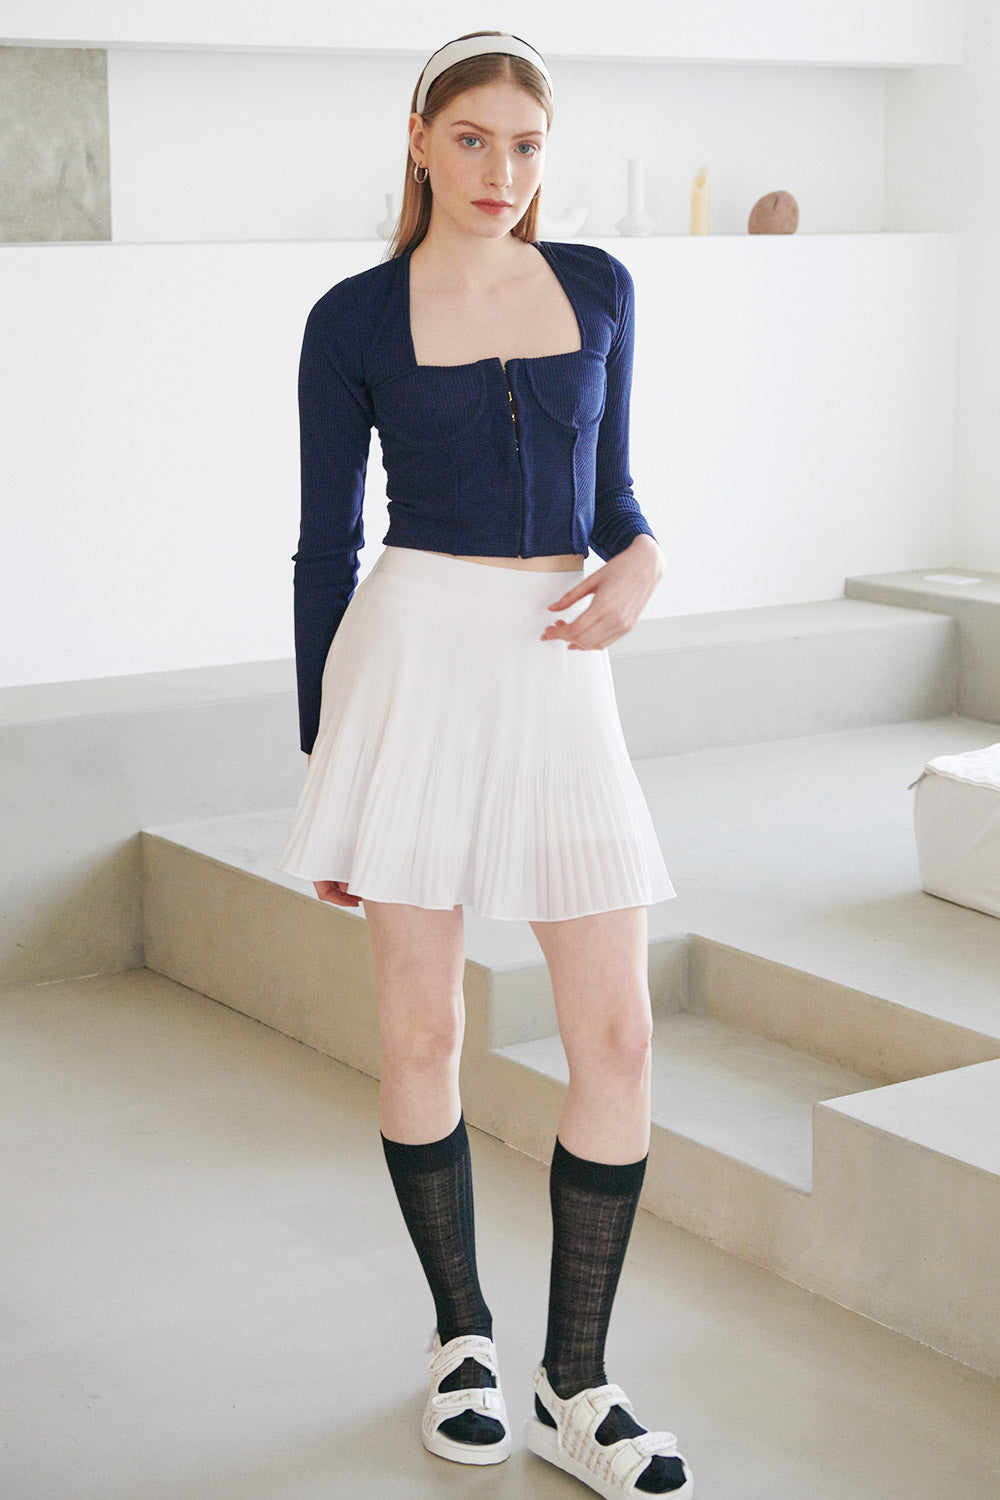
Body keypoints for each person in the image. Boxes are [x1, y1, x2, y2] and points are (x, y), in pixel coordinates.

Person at [275, 30, 693, 1500]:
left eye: (524, 146)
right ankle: (463, 1342)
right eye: (472, 140)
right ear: (419, 139)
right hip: (412, 659)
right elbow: (325, 546)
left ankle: (576, 1381)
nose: (500, 171)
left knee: (618, 1038)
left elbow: (615, 496)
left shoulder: (599, 287)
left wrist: (644, 563)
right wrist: (330, 762)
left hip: (557, 664)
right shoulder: (352, 318)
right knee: (422, 1035)